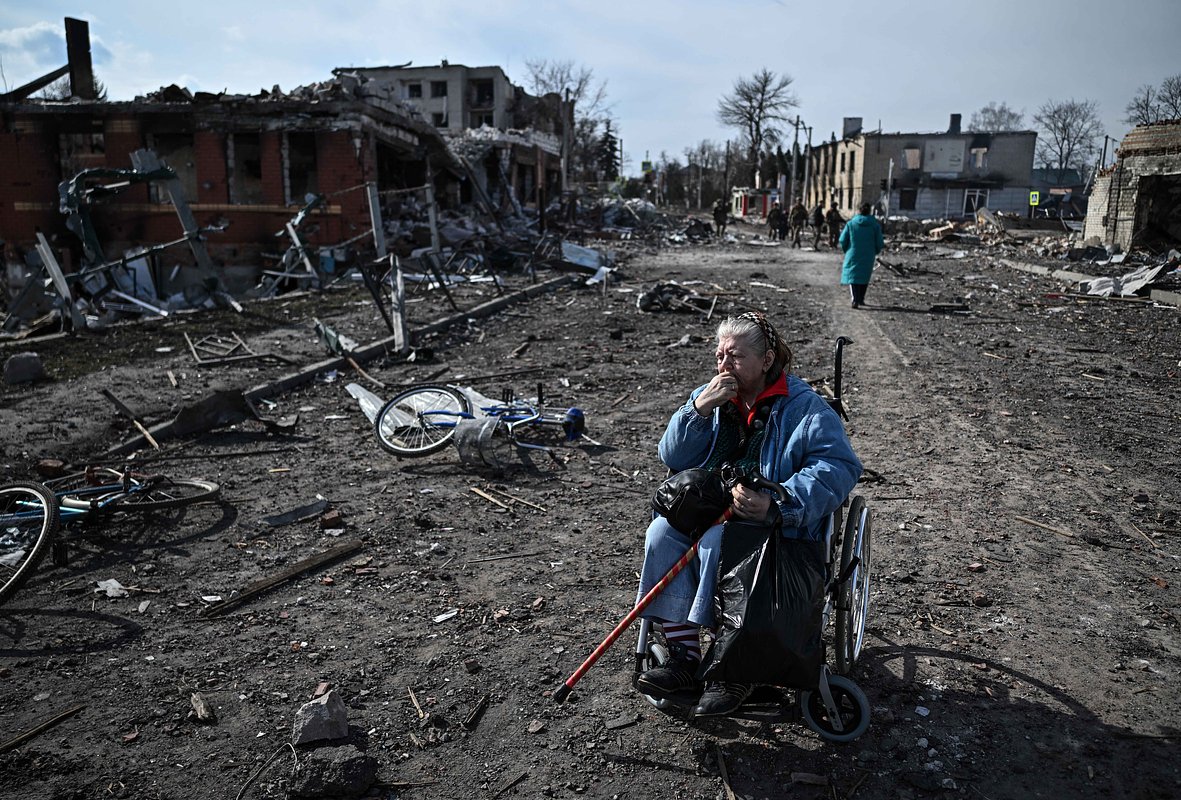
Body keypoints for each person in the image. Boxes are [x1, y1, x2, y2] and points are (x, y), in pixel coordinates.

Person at [633, 312, 863, 716]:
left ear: (767, 359)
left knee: (718, 540)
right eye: (720, 355)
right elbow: (671, 456)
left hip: (773, 529)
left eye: (736, 357)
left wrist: (779, 502)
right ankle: (685, 657)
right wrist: (699, 409)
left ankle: (735, 667)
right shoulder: (709, 397)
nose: (724, 365)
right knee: (661, 533)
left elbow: (838, 467)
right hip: (710, 511)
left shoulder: (804, 408)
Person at [839, 202, 885, 309]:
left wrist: (846, 250)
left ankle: (855, 299)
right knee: (864, 276)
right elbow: (879, 242)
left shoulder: (851, 224)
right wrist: (875, 251)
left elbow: (842, 240)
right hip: (868, 254)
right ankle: (861, 298)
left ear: (859, 210)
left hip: (853, 253)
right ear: (869, 211)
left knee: (853, 276)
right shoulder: (874, 225)